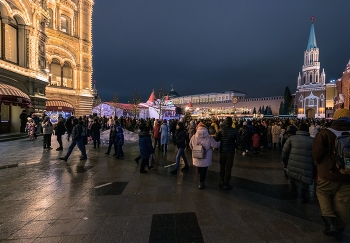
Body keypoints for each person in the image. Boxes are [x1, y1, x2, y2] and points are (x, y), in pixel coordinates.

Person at [312, 108, 350, 241]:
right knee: (343, 201)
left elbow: (316, 155)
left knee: (322, 193)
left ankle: (330, 223)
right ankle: (340, 227)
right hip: (348, 175)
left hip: (328, 173)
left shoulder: (325, 133)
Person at [282, 123, 314, 203]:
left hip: (293, 162)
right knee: (305, 181)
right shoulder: (312, 140)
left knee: (293, 177)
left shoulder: (292, 138)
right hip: (307, 164)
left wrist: (284, 159)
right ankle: (303, 196)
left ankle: (294, 191)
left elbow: (285, 150)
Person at [190, 122, 220, 189]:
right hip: (206, 157)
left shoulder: (194, 136)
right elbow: (215, 145)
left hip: (197, 155)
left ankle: (200, 180)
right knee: (204, 169)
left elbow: (190, 145)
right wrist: (220, 142)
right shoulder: (209, 137)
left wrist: (195, 149)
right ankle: (201, 183)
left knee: (199, 168)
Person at [215, 117, 238, 190]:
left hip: (222, 151)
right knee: (228, 168)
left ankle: (221, 180)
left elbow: (217, 139)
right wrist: (234, 146)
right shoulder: (235, 130)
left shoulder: (221, 130)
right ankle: (226, 183)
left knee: (222, 166)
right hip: (230, 152)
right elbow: (238, 141)